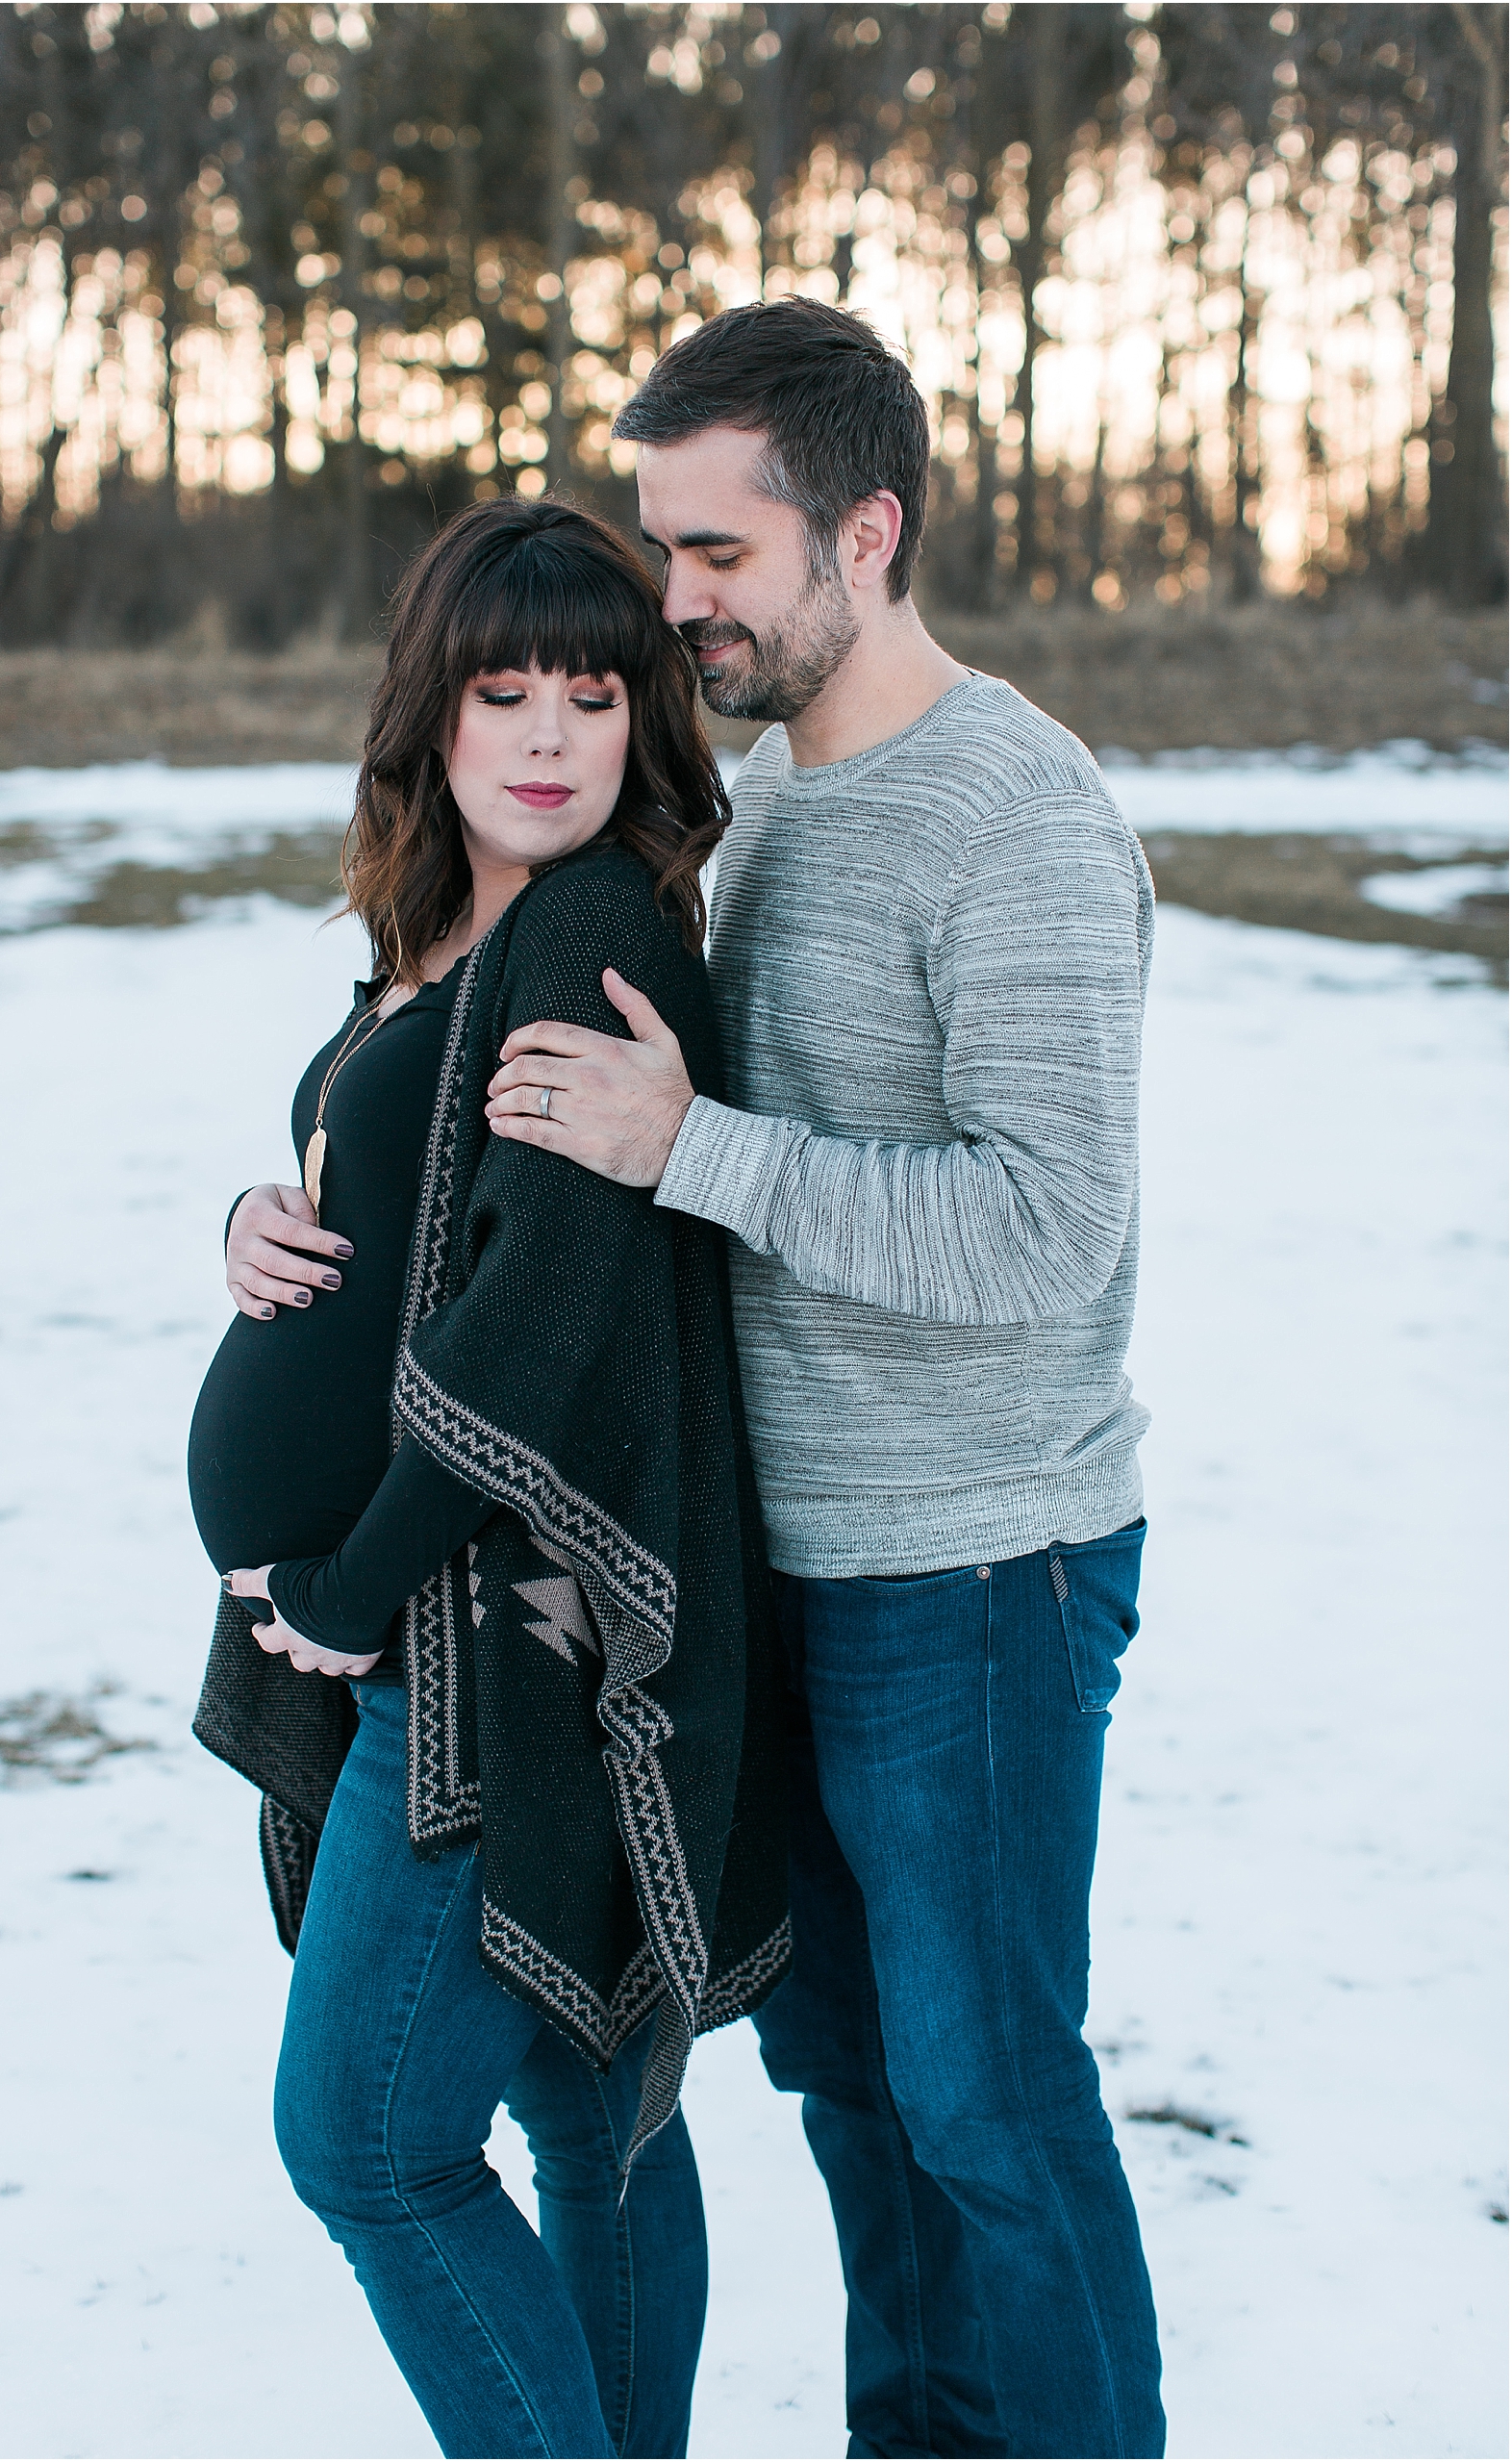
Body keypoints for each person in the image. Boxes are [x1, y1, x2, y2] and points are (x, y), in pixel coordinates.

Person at [478, 299, 1166, 2461]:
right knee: (849, 2086)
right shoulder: (773, 796)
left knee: (984, 2098)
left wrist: (690, 1146)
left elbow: (1042, 1226)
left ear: (864, 532)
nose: (673, 600)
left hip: (973, 1569)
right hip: (790, 1561)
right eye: (664, 546)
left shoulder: (1014, 816)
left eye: (718, 553)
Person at [190, 495, 789, 2462]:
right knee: (577, 2098)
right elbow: (388, 1208)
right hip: (417, 1612)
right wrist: (252, 1228)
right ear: (430, 716)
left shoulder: (590, 922)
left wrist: (352, 1585)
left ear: (639, 722)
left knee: (365, 2134)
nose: (545, 732)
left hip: (480, 1641)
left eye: (591, 691)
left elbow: (547, 1302)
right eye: (500, 687)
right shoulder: (440, 925)